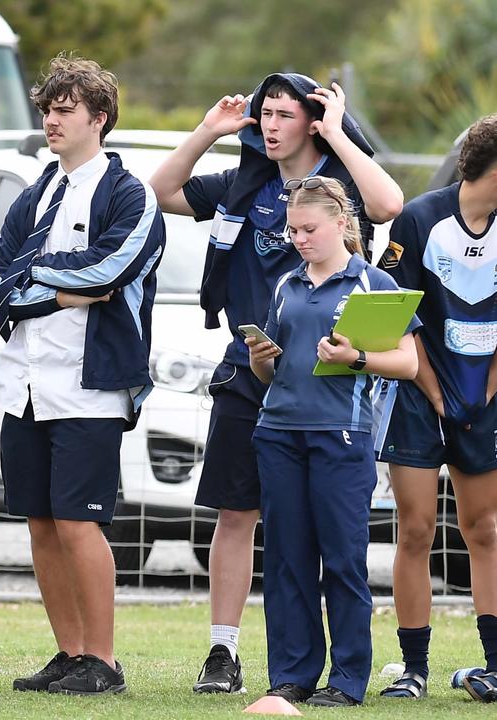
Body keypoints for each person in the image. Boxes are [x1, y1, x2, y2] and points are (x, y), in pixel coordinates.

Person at [148, 72, 403, 693]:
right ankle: (224, 652)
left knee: (333, 545)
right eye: (264, 113)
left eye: (283, 114)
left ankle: (345, 676)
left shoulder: (341, 184)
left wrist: (339, 135)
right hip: (250, 375)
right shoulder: (244, 183)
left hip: (330, 388)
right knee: (239, 514)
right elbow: (160, 191)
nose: (268, 124)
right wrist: (209, 131)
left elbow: (389, 206)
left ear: (311, 120)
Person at [0, 54, 165, 697]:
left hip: (90, 384)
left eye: (65, 109)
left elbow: (109, 270)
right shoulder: (35, 191)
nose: (51, 120)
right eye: (47, 109)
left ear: (100, 118)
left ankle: (104, 660)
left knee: (77, 521)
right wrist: (48, 289)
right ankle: (69, 653)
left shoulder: (129, 192)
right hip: (25, 381)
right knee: (39, 520)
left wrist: (33, 275)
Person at [246, 176, 418, 707]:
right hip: (278, 433)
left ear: (342, 223)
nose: (298, 238)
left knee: (342, 559)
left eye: (309, 228)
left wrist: (357, 359)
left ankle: (346, 680)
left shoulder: (373, 285)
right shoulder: (285, 284)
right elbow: (272, 375)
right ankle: (292, 674)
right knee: (286, 559)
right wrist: (260, 360)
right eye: (293, 229)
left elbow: (408, 364)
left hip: (342, 436)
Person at [375, 114, 497, 702]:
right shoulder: (419, 217)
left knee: (486, 530)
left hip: (486, 399)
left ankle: (493, 664)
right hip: (420, 399)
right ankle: (413, 670)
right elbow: (396, 317)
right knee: (417, 530)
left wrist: (489, 388)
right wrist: (433, 391)